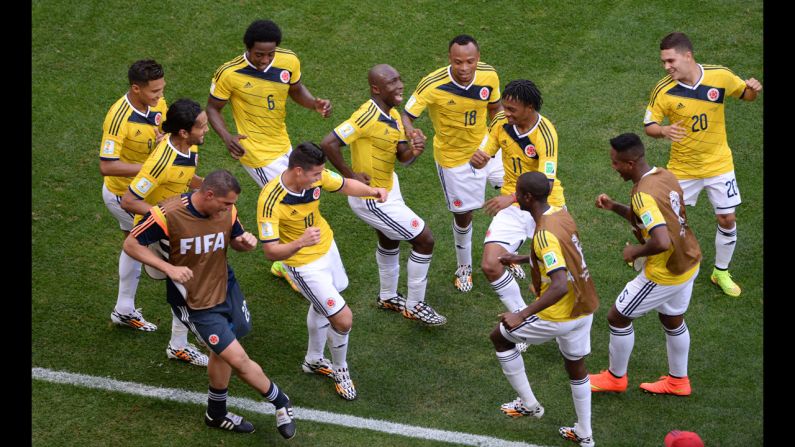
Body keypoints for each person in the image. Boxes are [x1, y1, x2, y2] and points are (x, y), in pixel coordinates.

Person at [122, 169, 296, 439]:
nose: (230, 209)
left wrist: (243, 243)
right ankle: (281, 401)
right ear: (209, 194)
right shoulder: (167, 213)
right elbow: (131, 244)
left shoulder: (227, 210)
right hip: (194, 301)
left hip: (226, 288)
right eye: (226, 203)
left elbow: (234, 240)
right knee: (237, 358)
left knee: (221, 352)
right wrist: (167, 267)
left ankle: (215, 414)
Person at [256, 142, 388, 401]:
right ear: (297, 171)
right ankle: (340, 370)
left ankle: (314, 360)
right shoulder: (270, 200)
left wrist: (372, 191)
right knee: (342, 319)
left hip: (328, 248)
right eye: (315, 175)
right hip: (303, 264)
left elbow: (345, 185)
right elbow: (271, 252)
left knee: (323, 305)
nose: (320, 178)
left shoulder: (315, 177)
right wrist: (300, 243)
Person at [207, 19, 332, 291]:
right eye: (258, 54)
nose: (264, 60)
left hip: (282, 143)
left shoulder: (288, 61)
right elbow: (213, 108)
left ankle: (283, 261)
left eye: (270, 54)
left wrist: (314, 103)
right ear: (247, 49)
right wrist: (227, 136)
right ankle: (289, 266)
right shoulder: (229, 73)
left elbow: (296, 90)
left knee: (295, 202)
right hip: (256, 153)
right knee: (289, 203)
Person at [319, 64, 445, 326]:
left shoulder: (395, 115)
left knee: (390, 240)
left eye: (399, 79)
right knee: (425, 240)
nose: (399, 86)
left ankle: (387, 296)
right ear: (376, 88)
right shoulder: (366, 116)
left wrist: (416, 150)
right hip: (371, 198)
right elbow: (328, 143)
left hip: (389, 187)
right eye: (391, 82)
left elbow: (403, 158)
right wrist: (350, 175)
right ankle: (415, 304)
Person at [643, 32, 762, 297]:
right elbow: (649, 125)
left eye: (670, 60)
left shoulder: (719, 76)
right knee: (664, 217)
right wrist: (663, 131)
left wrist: (753, 89)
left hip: (719, 164)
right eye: (663, 62)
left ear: (688, 56)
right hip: (683, 168)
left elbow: (745, 94)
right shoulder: (663, 89)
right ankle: (647, 254)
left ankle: (720, 271)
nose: (666, 66)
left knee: (727, 218)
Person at [491, 171, 598, 447]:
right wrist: (523, 258)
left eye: (517, 193)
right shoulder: (561, 216)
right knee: (575, 365)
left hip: (559, 314)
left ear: (527, 197)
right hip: (584, 306)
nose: (515, 197)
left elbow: (559, 285)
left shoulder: (543, 234)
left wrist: (521, 314)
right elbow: (563, 256)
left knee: (500, 337)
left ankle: (528, 404)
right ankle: (585, 433)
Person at [590, 133, 701, 397]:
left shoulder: (643, 194)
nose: (613, 166)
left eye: (616, 162)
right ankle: (678, 381)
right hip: (689, 258)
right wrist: (616, 207)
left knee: (617, 317)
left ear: (630, 163)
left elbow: (661, 240)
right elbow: (657, 220)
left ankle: (615, 378)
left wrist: (635, 250)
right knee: (672, 318)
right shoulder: (664, 175)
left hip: (666, 271)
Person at [401, 34, 504, 292]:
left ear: (478, 59)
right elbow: (405, 115)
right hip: (454, 160)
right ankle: (464, 267)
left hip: (487, 149)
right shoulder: (432, 85)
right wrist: (412, 133)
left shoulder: (489, 76)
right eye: (458, 62)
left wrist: (494, 141)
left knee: (514, 198)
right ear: (450, 59)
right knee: (464, 216)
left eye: (470, 61)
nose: (464, 68)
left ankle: (506, 253)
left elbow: (496, 109)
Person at [120, 98, 209, 367]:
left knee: (189, 280)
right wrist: (165, 218)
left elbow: (184, 176)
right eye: (202, 126)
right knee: (187, 283)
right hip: (162, 228)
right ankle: (179, 345)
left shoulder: (190, 147)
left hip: (178, 224)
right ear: (184, 132)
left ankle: (177, 340)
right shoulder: (161, 161)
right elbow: (129, 200)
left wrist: (206, 187)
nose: (206, 130)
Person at [471, 79, 565, 314]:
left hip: (545, 207)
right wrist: (480, 158)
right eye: (505, 106)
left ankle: (563, 324)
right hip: (513, 204)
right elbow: (489, 148)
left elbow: (546, 184)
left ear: (530, 108)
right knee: (490, 265)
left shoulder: (545, 134)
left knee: (557, 273)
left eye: (512, 109)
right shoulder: (501, 121)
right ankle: (522, 316)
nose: (506, 113)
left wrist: (511, 198)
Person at [99, 59, 167, 334]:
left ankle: (124, 309)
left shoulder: (157, 103)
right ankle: (181, 337)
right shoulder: (118, 119)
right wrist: (151, 167)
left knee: (132, 241)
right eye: (155, 92)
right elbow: (107, 164)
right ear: (136, 89)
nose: (160, 96)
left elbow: (166, 128)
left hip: (147, 190)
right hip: (123, 196)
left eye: (162, 90)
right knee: (171, 246)